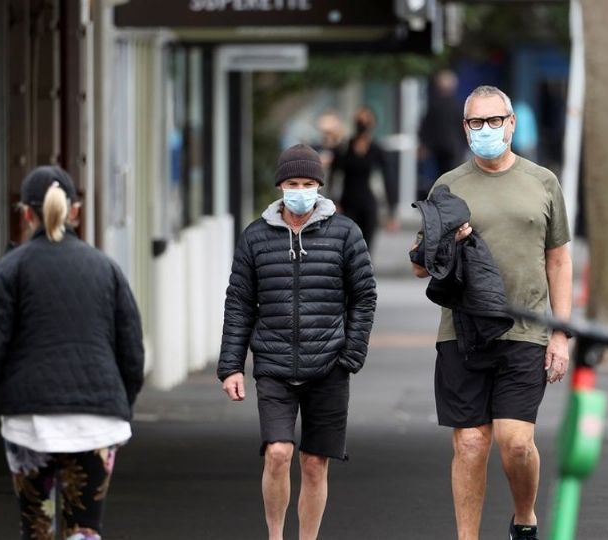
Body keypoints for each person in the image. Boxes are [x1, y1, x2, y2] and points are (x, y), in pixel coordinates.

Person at [0, 166, 145, 540]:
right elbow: (132, 353)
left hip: (28, 421)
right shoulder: (106, 269)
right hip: (97, 422)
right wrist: (119, 405)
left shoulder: (12, 269)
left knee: (36, 529)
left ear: (27, 213)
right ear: (75, 211)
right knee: (85, 531)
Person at [410, 86, 572, 540]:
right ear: (465, 128)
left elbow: (558, 259)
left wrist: (561, 334)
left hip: (527, 329)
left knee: (515, 442)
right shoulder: (447, 186)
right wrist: (443, 243)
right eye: (476, 123)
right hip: (461, 331)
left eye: (494, 121)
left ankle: (525, 516)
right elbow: (421, 264)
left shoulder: (543, 182)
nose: (486, 130)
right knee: (471, 442)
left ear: (512, 122)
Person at [218, 144, 377, 540]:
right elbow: (239, 302)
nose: (300, 190)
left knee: (313, 462)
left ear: (319, 187)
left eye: (308, 183)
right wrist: (231, 366)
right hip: (273, 365)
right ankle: (275, 535)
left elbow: (364, 296)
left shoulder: (345, 233)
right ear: (280, 187)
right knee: (278, 453)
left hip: (329, 365)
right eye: (293, 183)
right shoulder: (255, 237)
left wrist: (351, 354)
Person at [329, 106, 399, 253]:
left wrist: (391, 211)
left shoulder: (376, 149)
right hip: (347, 204)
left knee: (366, 249)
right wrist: (333, 201)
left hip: (368, 204)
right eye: (360, 120)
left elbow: (389, 179)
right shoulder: (344, 148)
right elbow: (333, 176)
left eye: (366, 120)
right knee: (347, 247)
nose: (362, 123)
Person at [417, 69, 468, 199]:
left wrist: (425, 145)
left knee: (442, 177)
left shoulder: (434, 106)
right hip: (456, 148)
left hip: (439, 149)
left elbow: (425, 128)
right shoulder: (459, 106)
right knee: (454, 178)